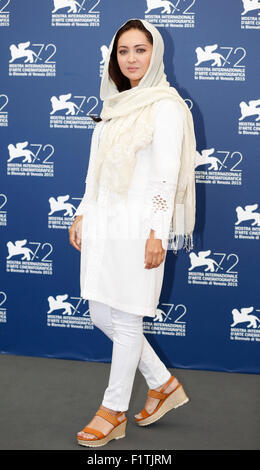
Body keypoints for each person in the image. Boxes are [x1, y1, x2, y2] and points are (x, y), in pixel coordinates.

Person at [69, 18, 196, 448]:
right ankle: (162, 385)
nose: (131, 59)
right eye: (123, 51)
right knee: (100, 314)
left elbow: (166, 176)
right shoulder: (112, 105)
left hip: (140, 228)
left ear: (155, 53)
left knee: (126, 319)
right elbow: (95, 171)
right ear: (114, 58)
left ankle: (113, 411)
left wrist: (158, 233)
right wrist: (83, 212)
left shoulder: (166, 106)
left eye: (140, 50)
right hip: (105, 225)